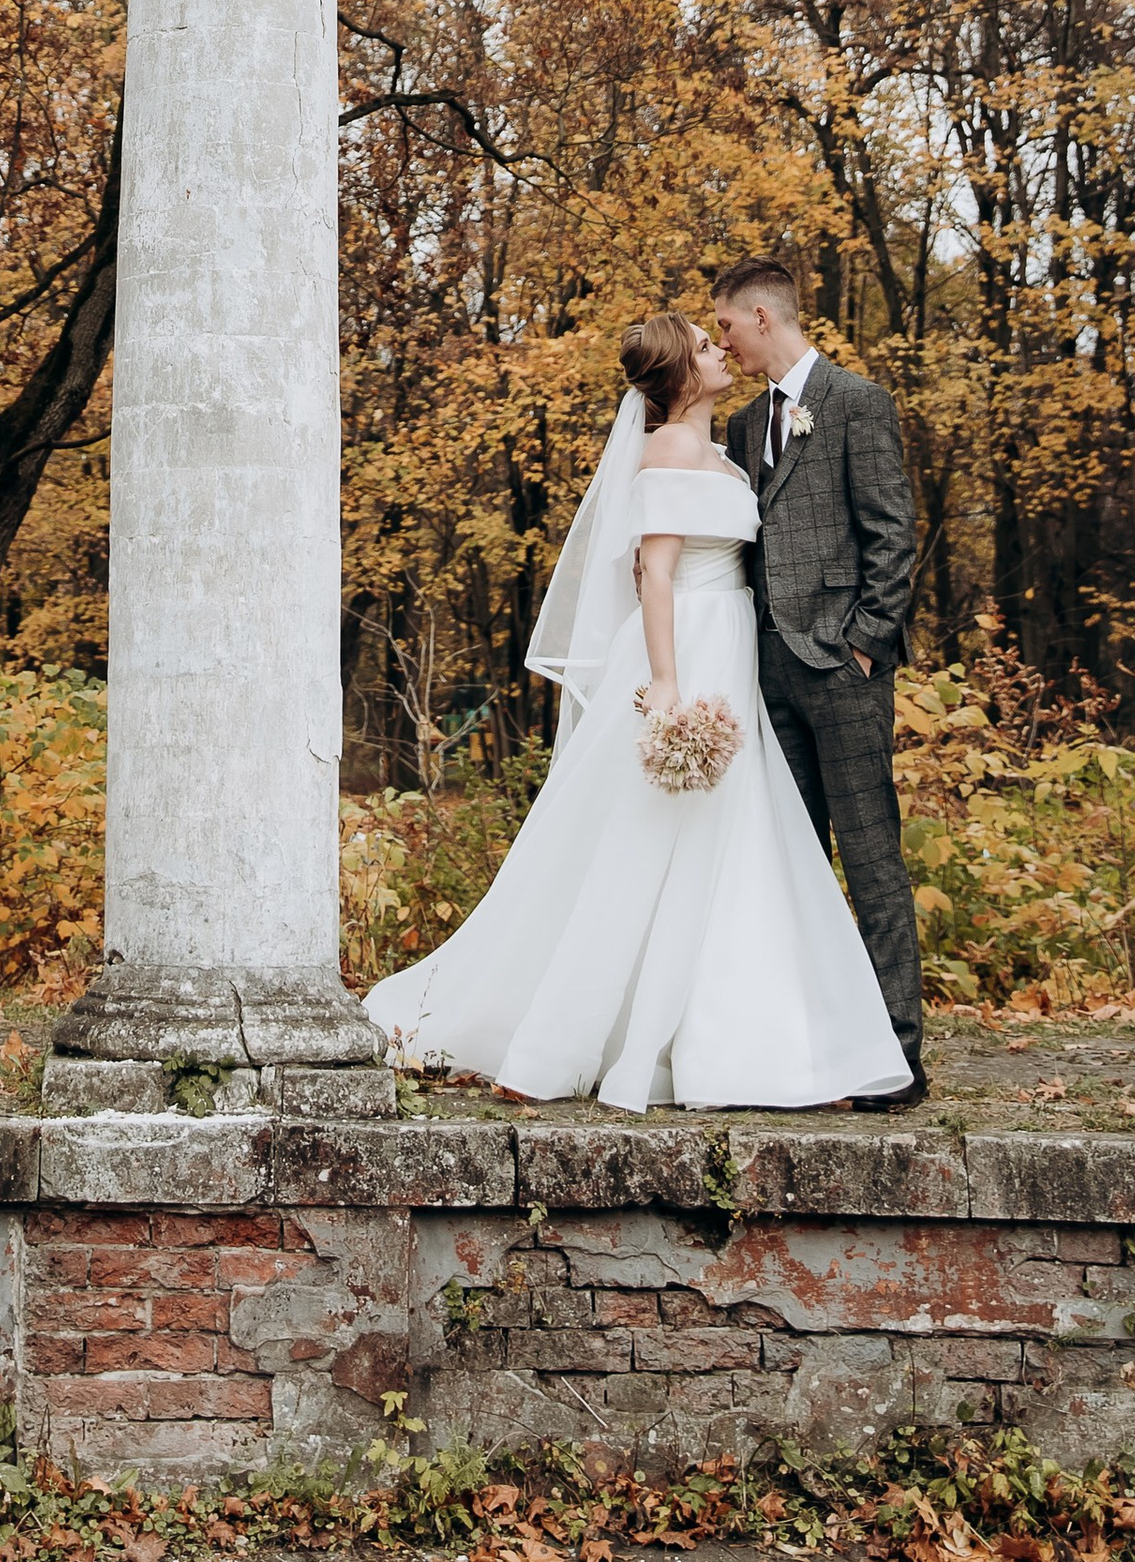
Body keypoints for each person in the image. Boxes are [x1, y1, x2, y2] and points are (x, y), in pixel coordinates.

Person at [362, 309, 912, 1112]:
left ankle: (731, 1037)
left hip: (732, 648)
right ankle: (560, 1036)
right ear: (681, 374)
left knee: (728, 842)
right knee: (644, 839)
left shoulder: (723, 451)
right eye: (704, 345)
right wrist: (665, 682)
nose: (719, 351)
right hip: (687, 648)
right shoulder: (672, 448)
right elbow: (655, 573)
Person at [715, 255, 927, 1108]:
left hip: (842, 670)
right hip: (767, 674)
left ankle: (898, 1060)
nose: (723, 341)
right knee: (790, 866)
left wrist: (866, 646)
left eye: (727, 324)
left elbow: (892, 534)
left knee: (871, 859)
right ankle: (807, 1053)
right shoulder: (741, 425)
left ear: (763, 316)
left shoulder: (857, 402)